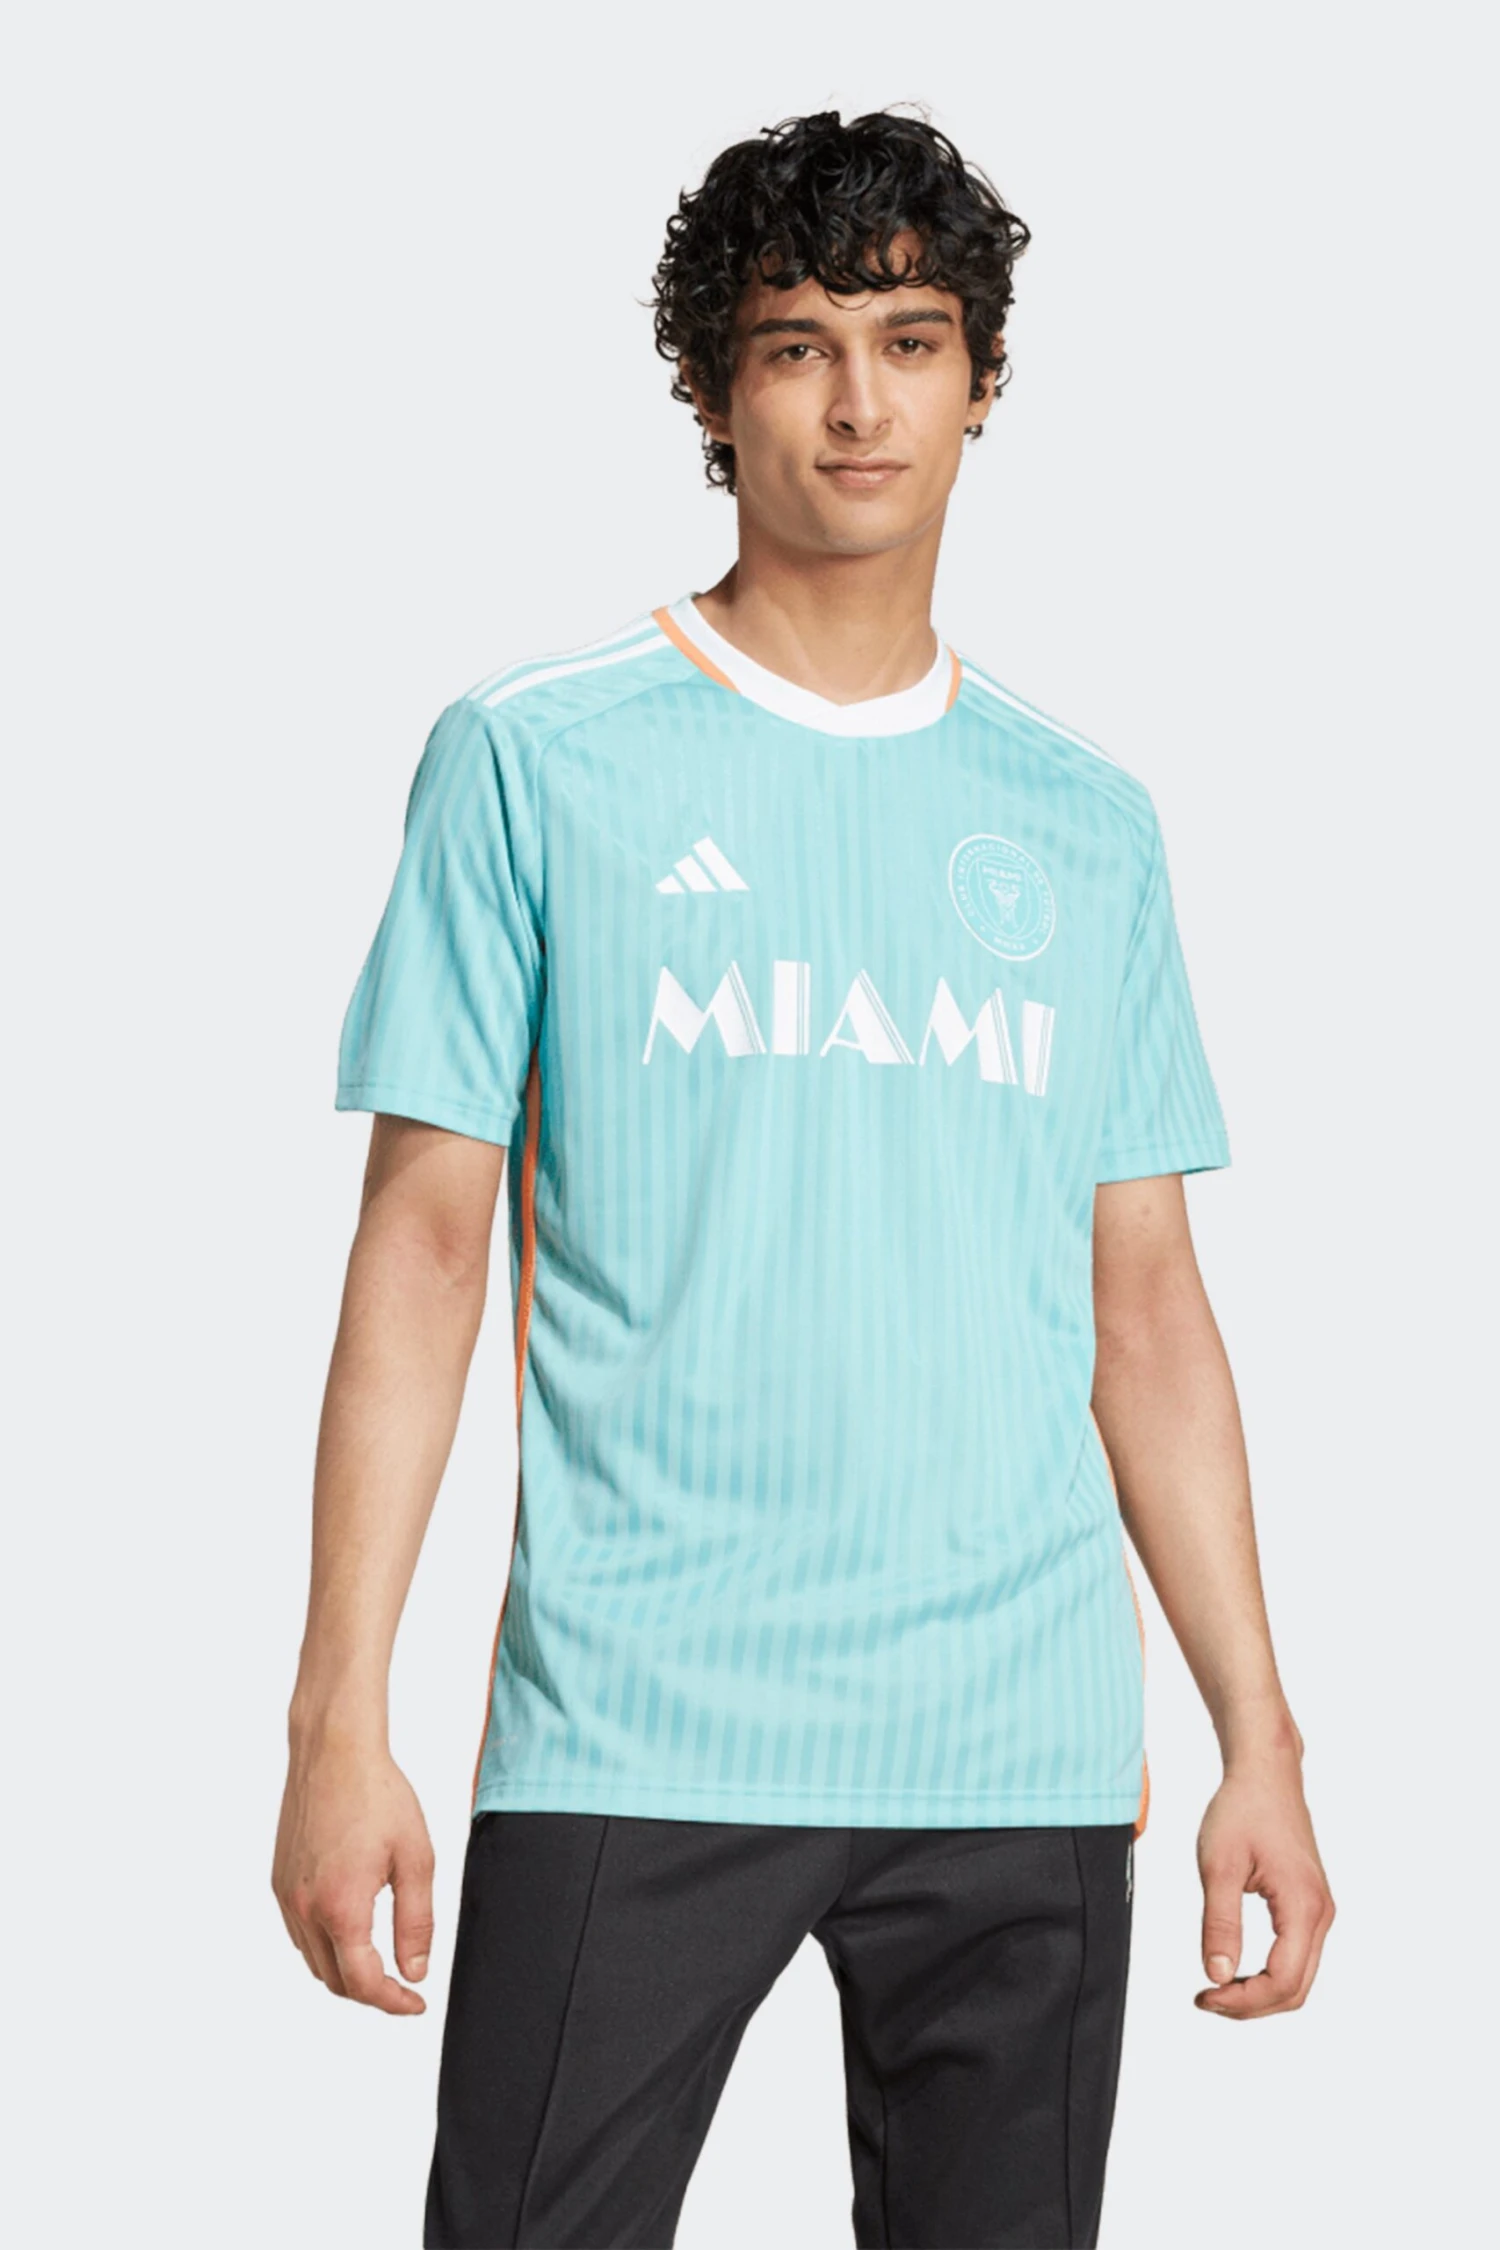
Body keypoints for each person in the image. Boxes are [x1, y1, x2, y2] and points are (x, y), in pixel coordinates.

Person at [273, 106, 1335, 2250]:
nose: (861, 402)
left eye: (911, 342)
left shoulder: (1085, 820)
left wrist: (1263, 1736)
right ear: (711, 386)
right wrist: (336, 1717)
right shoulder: (536, 755)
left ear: (982, 381)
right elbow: (426, 1248)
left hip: (1019, 1753)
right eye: (798, 345)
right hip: (641, 1718)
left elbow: (1145, 1306)